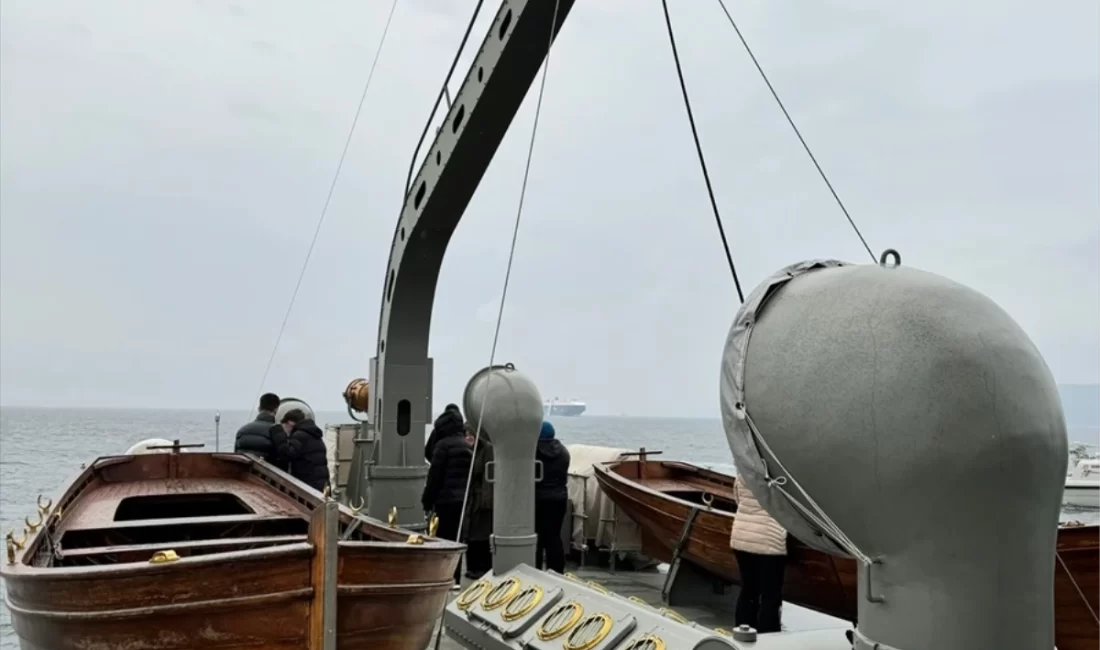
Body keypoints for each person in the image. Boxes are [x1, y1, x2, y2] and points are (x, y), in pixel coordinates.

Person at [729, 474, 788, 633]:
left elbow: (737, 498)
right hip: (770, 540)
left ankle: (742, 634)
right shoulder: (781, 475)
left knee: (748, 589)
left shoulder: (744, 472)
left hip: (742, 535)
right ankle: (768, 639)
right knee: (771, 595)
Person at [421, 409, 472, 586]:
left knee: (442, 541)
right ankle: (455, 578)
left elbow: (434, 477)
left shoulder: (442, 446)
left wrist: (426, 500)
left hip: (444, 501)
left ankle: (442, 578)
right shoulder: (466, 445)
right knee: (456, 541)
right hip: (462, 501)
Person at [534, 421, 570, 574]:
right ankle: (556, 571)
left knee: (536, 537)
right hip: (559, 498)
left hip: (537, 498)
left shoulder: (533, 451)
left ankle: (533, 570)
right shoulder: (563, 452)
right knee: (554, 537)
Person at [465, 424, 494, 579]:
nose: (468, 437)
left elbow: (487, 475)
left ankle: (480, 568)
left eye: (471, 434)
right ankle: (473, 567)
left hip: (481, 499)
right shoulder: (472, 451)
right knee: (472, 533)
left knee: (480, 533)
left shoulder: (486, 450)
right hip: (473, 497)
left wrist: (486, 500)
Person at [234, 392, 289, 471]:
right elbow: (284, 459)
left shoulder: (242, 430)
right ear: (276, 409)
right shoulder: (277, 431)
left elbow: (236, 455)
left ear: (259, 408)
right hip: (266, 478)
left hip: (242, 475)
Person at [280, 408, 330, 492]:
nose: (285, 429)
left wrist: (279, 438)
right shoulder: (314, 434)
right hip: (322, 483)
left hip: (308, 483)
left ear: (290, 423)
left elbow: (288, 454)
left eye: (285, 425)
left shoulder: (299, 435)